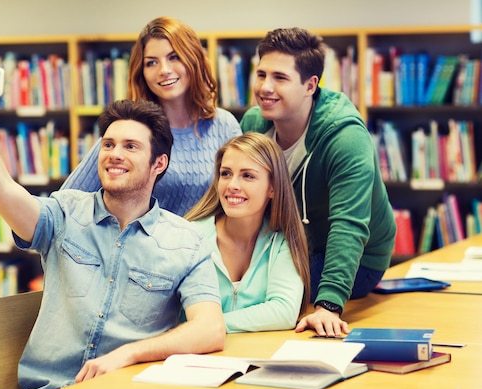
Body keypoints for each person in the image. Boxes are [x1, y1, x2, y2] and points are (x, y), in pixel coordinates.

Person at [0, 67, 226, 389]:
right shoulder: (64, 213)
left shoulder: (186, 242)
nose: (114, 155)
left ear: (158, 164)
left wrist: (129, 354)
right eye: (108, 145)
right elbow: (1, 192)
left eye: (130, 147)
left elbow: (210, 329)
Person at [240, 27, 396, 337]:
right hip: (289, 246)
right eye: (261, 74)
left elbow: (348, 224)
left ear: (310, 85)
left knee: (252, 289)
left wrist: (328, 306)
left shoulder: (344, 136)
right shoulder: (253, 124)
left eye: (280, 78)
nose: (265, 87)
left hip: (358, 259)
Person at [61, 16, 241, 216]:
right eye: (151, 63)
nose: (164, 70)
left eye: (174, 57)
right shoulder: (130, 130)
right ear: (142, 72)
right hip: (140, 245)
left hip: (210, 246)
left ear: (194, 59)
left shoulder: (225, 126)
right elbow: (64, 206)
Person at [184, 133, 310, 333]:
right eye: (225, 174)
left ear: (273, 188)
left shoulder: (282, 241)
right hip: (191, 356)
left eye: (247, 176)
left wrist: (209, 327)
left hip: (252, 355)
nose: (232, 185)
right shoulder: (189, 237)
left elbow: (284, 311)